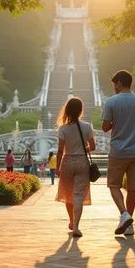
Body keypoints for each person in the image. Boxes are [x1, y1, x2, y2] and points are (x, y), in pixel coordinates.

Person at [102, 70, 135, 236]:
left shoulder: (112, 102)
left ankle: (124, 213)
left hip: (118, 151)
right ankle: (128, 225)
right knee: (132, 188)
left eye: (115, 83)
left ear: (120, 83)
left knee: (113, 185)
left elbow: (105, 127)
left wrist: (116, 122)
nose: (114, 87)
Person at [55, 97, 95, 238]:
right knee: (78, 195)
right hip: (82, 162)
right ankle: (76, 226)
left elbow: (60, 151)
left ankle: (71, 221)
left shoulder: (63, 129)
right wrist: (84, 150)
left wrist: (57, 167)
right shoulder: (87, 127)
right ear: (80, 111)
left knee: (68, 194)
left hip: (67, 162)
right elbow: (93, 146)